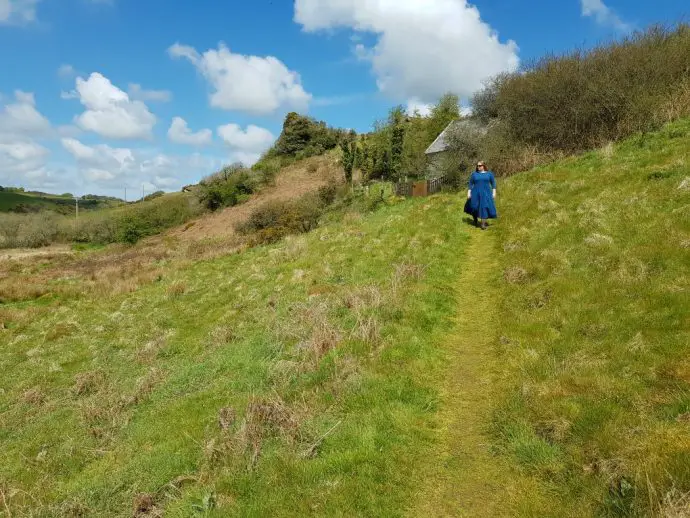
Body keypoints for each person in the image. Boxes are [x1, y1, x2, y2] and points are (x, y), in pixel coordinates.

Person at [464, 161, 497, 230]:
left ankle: (483, 224)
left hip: (486, 193)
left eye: (480, 165)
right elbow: (470, 184)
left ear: (484, 166)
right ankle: (475, 219)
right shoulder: (474, 174)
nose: (478, 167)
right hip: (475, 193)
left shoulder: (489, 174)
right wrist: (469, 192)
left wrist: (494, 192)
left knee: (484, 207)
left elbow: (493, 183)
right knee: (474, 207)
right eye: (477, 166)